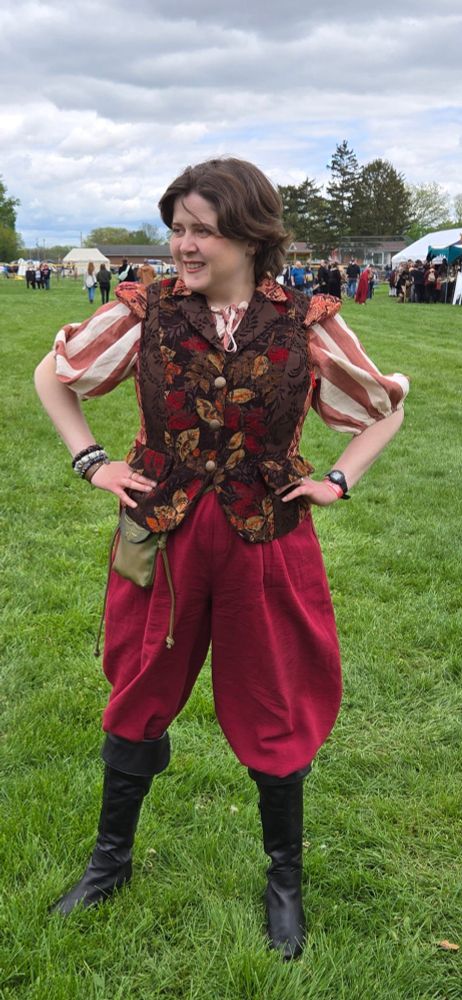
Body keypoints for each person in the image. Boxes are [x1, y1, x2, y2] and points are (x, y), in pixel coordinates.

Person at [34, 157, 408, 960]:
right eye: (178, 228)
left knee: (275, 702)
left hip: (266, 541)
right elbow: (52, 374)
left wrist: (341, 477)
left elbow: (385, 406)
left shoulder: (306, 321)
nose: (184, 245)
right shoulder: (146, 310)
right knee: (138, 688)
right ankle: (110, 865)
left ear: (250, 233)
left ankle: (284, 884)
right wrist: (91, 462)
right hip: (164, 534)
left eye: (202, 229)